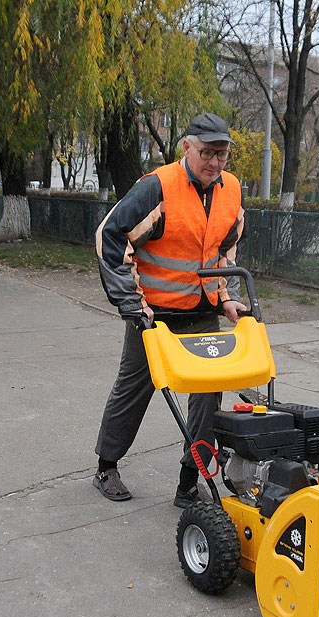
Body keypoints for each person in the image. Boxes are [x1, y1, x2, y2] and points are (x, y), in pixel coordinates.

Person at [93, 112, 247, 504]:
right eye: (207, 153)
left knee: (208, 390)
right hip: (153, 314)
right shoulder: (157, 187)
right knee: (134, 388)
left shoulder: (231, 191)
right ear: (187, 147)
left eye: (222, 155)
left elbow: (224, 250)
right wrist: (132, 305)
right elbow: (111, 237)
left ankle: (189, 479)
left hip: (201, 311)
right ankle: (106, 466)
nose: (215, 163)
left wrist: (227, 296)